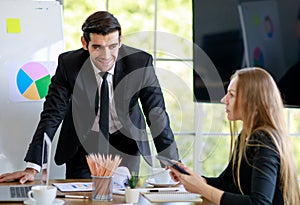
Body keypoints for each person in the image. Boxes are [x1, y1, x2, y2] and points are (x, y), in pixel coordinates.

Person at [0, 11, 180, 183]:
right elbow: (52, 114)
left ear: (120, 41)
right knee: (79, 197)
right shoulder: (69, 65)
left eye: (112, 46)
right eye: (97, 47)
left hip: (126, 142)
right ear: (85, 44)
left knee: (124, 196)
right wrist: (32, 168)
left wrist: (172, 164)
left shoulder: (139, 63)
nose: (106, 55)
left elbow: (156, 114)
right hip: (83, 144)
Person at [169, 68, 300, 205]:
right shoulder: (246, 136)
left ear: (252, 100)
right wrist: (194, 179)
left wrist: (202, 189)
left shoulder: (264, 141)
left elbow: (260, 203)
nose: (223, 100)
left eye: (231, 95)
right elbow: (226, 184)